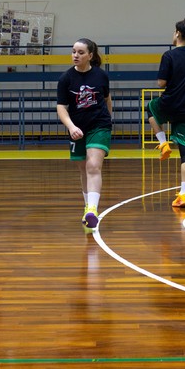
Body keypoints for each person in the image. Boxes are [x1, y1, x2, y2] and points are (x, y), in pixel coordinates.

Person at [146, 13, 185, 208]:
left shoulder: (169, 55)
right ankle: (183, 194)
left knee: (151, 109)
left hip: (170, 102)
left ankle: (163, 144)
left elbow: (161, 83)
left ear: (178, 33)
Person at [56, 38, 113, 230]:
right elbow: (61, 108)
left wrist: (108, 122)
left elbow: (107, 99)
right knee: (83, 169)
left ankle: (92, 210)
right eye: (73, 51)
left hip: (99, 125)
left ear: (90, 55)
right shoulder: (65, 79)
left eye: (80, 52)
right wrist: (71, 127)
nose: (75, 55)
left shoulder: (101, 76)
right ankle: (87, 205)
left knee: (93, 166)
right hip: (77, 128)